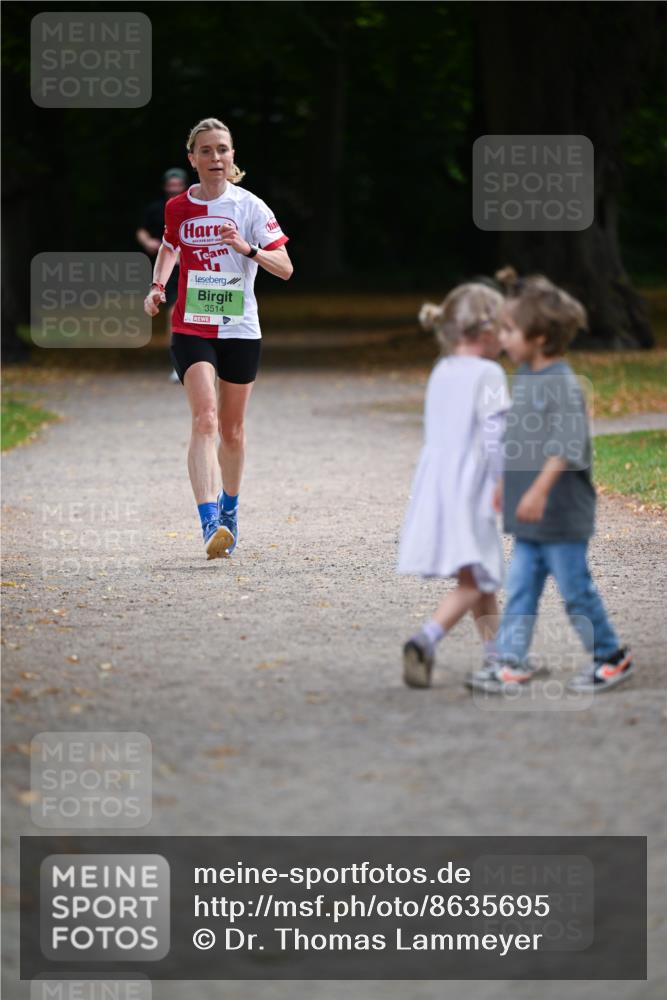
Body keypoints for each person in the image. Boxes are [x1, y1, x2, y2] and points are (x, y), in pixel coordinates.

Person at [468, 269, 633, 694]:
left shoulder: (561, 383)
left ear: (539, 338)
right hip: (529, 515)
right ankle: (512, 661)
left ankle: (612, 656)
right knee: (520, 589)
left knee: (576, 591)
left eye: (509, 329)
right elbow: (521, 439)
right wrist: (507, 483)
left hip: (560, 514)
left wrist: (539, 490)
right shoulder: (524, 376)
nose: (501, 337)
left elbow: (567, 444)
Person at [143, 118, 293, 559]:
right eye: (205, 151)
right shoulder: (178, 208)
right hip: (191, 325)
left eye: (222, 150)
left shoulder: (250, 207)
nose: (215, 158)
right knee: (205, 418)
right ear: (192, 159)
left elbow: (285, 267)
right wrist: (157, 286)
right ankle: (209, 521)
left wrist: (246, 248)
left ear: (232, 157)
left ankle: (229, 508)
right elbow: (171, 246)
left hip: (240, 327)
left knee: (232, 430)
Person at [397, 283, 510, 687]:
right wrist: (502, 481)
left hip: (439, 484)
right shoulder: (490, 372)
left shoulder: (442, 369)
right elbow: (495, 435)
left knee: (476, 573)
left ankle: (499, 658)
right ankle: (426, 638)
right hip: (473, 486)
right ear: (487, 331)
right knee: (479, 576)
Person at [137, 168, 188, 380]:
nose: (174, 189)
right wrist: (148, 242)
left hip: (192, 268)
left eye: (178, 185)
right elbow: (141, 229)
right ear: (165, 186)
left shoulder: (193, 206)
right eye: (171, 185)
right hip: (169, 271)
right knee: (173, 313)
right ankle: (178, 363)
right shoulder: (156, 208)